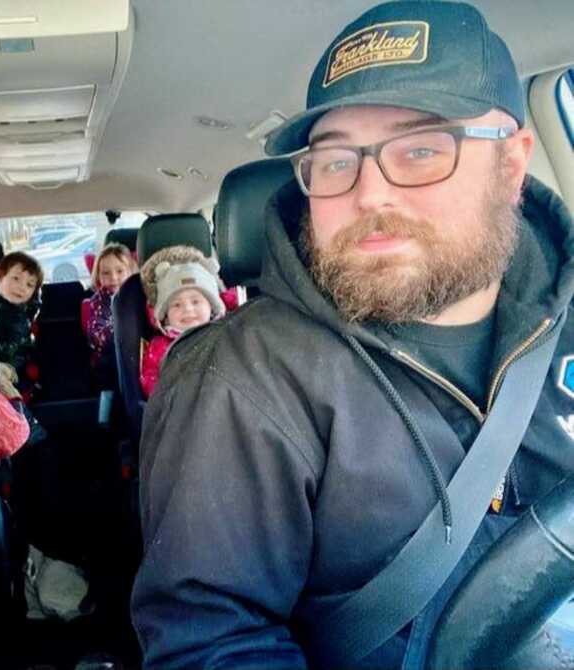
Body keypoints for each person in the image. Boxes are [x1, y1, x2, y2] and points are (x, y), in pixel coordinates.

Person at [131, 2, 574, 668]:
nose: (370, 193)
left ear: (512, 165)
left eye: (422, 149)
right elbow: (210, 642)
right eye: (336, 162)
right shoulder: (239, 379)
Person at [139, 245, 225, 398]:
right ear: (165, 315)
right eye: (176, 305)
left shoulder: (224, 334)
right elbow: (150, 378)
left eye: (196, 302)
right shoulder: (160, 346)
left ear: (211, 307)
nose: (188, 309)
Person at [0, 251, 42, 396]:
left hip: (15, 368)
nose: (22, 287)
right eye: (15, 278)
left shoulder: (26, 311)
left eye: (30, 285)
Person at [85, 242, 137, 369]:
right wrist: (123, 328)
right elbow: (98, 336)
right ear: (98, 276)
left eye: (120, 271)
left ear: (131, 271)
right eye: (106, 273)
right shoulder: (98, 301)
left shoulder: (138, 296)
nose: (113, 278)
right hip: (110, 357)